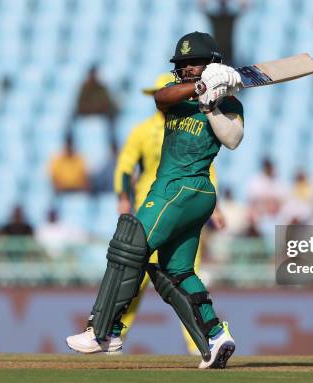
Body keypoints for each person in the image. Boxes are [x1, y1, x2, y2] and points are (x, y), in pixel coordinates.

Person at [66, 32, 243, 369]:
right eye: (183, 64)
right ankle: (215, 335)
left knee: (129, 246)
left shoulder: (229, 103)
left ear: (212, 64)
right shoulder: (177, 97)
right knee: (176, 270)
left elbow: (232, 139)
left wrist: (212, 105)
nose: (188, 68)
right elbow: (161, 97)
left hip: (184, 187)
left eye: (194, 63)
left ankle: (104, 331)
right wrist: (201, 89)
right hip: (179, 192)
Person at [108, 73, 224, 356]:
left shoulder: (195, 124)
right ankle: (113, 332)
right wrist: (123, 197)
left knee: (183, 274)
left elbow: (205, 169)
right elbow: (125, 165)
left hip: (183, 208)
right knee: (135, 274)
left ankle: (197, 342)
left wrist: (215, 207)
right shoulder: (144, 130)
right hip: (151, 207)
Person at [74, 65, 120, 143]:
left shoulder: (102, 87)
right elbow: (80, 103)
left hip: (101, 111)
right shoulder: (84, 88)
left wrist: (97, 107)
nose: (93, 77)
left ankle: (112, 142)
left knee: (111, 115)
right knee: (73, 115)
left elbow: (107, 103)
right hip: (87, 111)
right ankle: (71, 141)